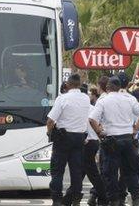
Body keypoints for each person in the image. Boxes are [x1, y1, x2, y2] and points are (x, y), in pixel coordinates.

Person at [90, 77, 139, 206]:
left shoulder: (104, 100)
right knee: (131, 172)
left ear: (107, 87)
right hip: (128, 139)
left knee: (110, 173)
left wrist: (99, 133)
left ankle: (114, 200)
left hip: (111, 139)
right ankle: (137, 199)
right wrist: (135, 129)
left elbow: (92, 119)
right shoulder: (129, 99)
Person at [47, 74, 90, 206]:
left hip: (63, 138)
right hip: (79, 137)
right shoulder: (86, 98)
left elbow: (50, 120)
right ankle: (76, 198)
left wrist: (49, 133)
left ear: (67, 84)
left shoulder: (62, 99)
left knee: (57, 170)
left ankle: (57, 199)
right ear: (79, 84)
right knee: (76, 171)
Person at [81, 86, 108, 206]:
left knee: (92, 173)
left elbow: (88, 124)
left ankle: (103, 196)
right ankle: (72, 195)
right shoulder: (92, 108)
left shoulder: (81, 109)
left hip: (87, 142)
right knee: (82, 171)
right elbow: (100, 124)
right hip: (94, 142)